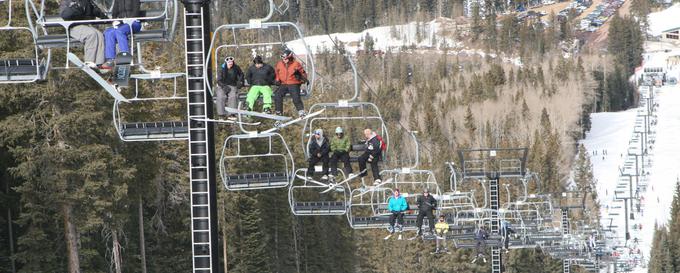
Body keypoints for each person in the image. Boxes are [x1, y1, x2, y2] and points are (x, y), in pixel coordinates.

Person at [59, 0, 107, 69]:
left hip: (86, 26)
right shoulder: (67, 2)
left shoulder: (86, 1)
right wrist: (77, 7)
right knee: (91, 34)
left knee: (100, 35)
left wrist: (107, 19)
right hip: (74, 27)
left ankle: (99, 63)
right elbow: (65, 15)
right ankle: (89, 61)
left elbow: (95, 11)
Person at [101, 0, 142, 69]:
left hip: (134, 23)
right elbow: (114, 13)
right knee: (108, 32)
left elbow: (136, 12)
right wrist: (114, 21)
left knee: (120, 31)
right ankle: (110, 59)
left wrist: (123, 21)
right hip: (122, 24)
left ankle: (125, 56)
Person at [274, 49, 308, 117]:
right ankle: (279, 112)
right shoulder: (279, 64)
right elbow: (277, 73)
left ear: (290, 58)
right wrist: (277, 80)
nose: (284, 60)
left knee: (295, 96)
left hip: (293, 83)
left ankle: (301, 111)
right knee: (277, 95)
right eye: (283, 59)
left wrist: (301, 78)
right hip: (283, 84)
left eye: (286, 59)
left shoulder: (296, 64)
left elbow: (303, 74)